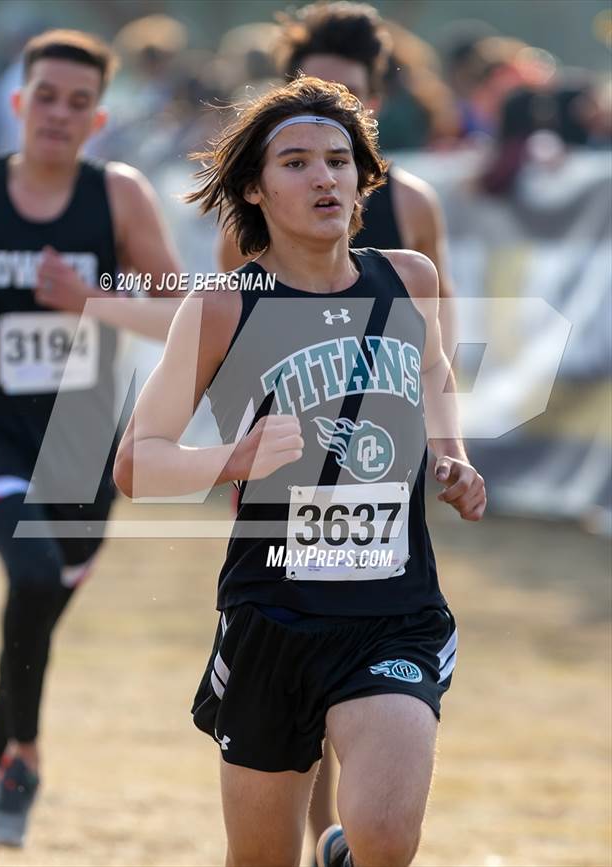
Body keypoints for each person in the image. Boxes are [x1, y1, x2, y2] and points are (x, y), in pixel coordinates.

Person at [114, 76, 485, 867]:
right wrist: (230, 458)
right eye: (296, 162)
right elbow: (136, 464)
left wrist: (452, 452)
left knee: (387, 835)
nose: (325, 178)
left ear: (362, 176)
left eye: (339, 160)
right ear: (254, 185)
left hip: (394, 608)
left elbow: (436, 375)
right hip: (272, 612)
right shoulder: (223, 306)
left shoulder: (406, 278)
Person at [217, 2, 457, 838]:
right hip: (284, 520)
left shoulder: (412, 216)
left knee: (379, 770)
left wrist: (447, 445)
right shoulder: (254, 237)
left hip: (385, 521)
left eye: (344, 114)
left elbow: (437, 350)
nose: (324, 171)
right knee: (287, 738)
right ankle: (319, 823)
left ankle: (347, 832)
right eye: (309, 98)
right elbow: (231, 343)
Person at [0, 28, 181, 850]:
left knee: (38, 612)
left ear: (97, 119)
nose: (59, 114)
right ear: (20, 106)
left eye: (79, 103)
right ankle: (23, 756)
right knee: (27, 568)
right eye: (46, 99)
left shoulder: (118, 196)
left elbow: (187, 315)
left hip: (86, 445)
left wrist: (93, 299)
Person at [219, 1, 456, 365]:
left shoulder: (413, 204)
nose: (327, 110)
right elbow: (237, 337)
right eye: (314, 93)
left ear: (374, 104)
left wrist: (445, 412)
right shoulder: (258, 206)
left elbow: (439, 330)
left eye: (348, 96)